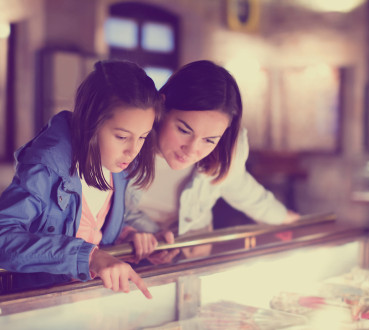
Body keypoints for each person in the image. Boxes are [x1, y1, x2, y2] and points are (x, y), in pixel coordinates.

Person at [0, 60, 161, 298]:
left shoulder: (120, 169)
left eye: (143, 137)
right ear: (90, 123)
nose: (133, 151)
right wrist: (88, 257)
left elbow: (94, 231)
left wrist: (128, 236)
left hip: (82, 304)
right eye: (121, 136)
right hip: (30, 308)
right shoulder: (47, 168)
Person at [119, 60, 299, 264]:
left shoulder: (226, 150)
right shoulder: (127, 142)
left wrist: (285, 218)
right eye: (184, 130)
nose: (192, 149)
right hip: (131, 255)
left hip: (194, 256)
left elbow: (242, 189)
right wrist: (133, 234)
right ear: (162, 107)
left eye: (209, 140)